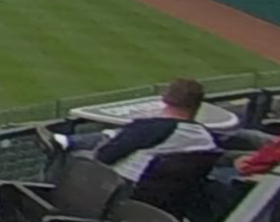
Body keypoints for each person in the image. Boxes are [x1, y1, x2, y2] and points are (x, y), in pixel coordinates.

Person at [35, 78, 218, 185]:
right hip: (169, 196)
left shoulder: (151, 127)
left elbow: (104, 156)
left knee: (74, 156)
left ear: (165, 99)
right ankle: (65, 141)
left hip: (125, 187)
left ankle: (51, 193)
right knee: (115, 137)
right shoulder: (206, 138)